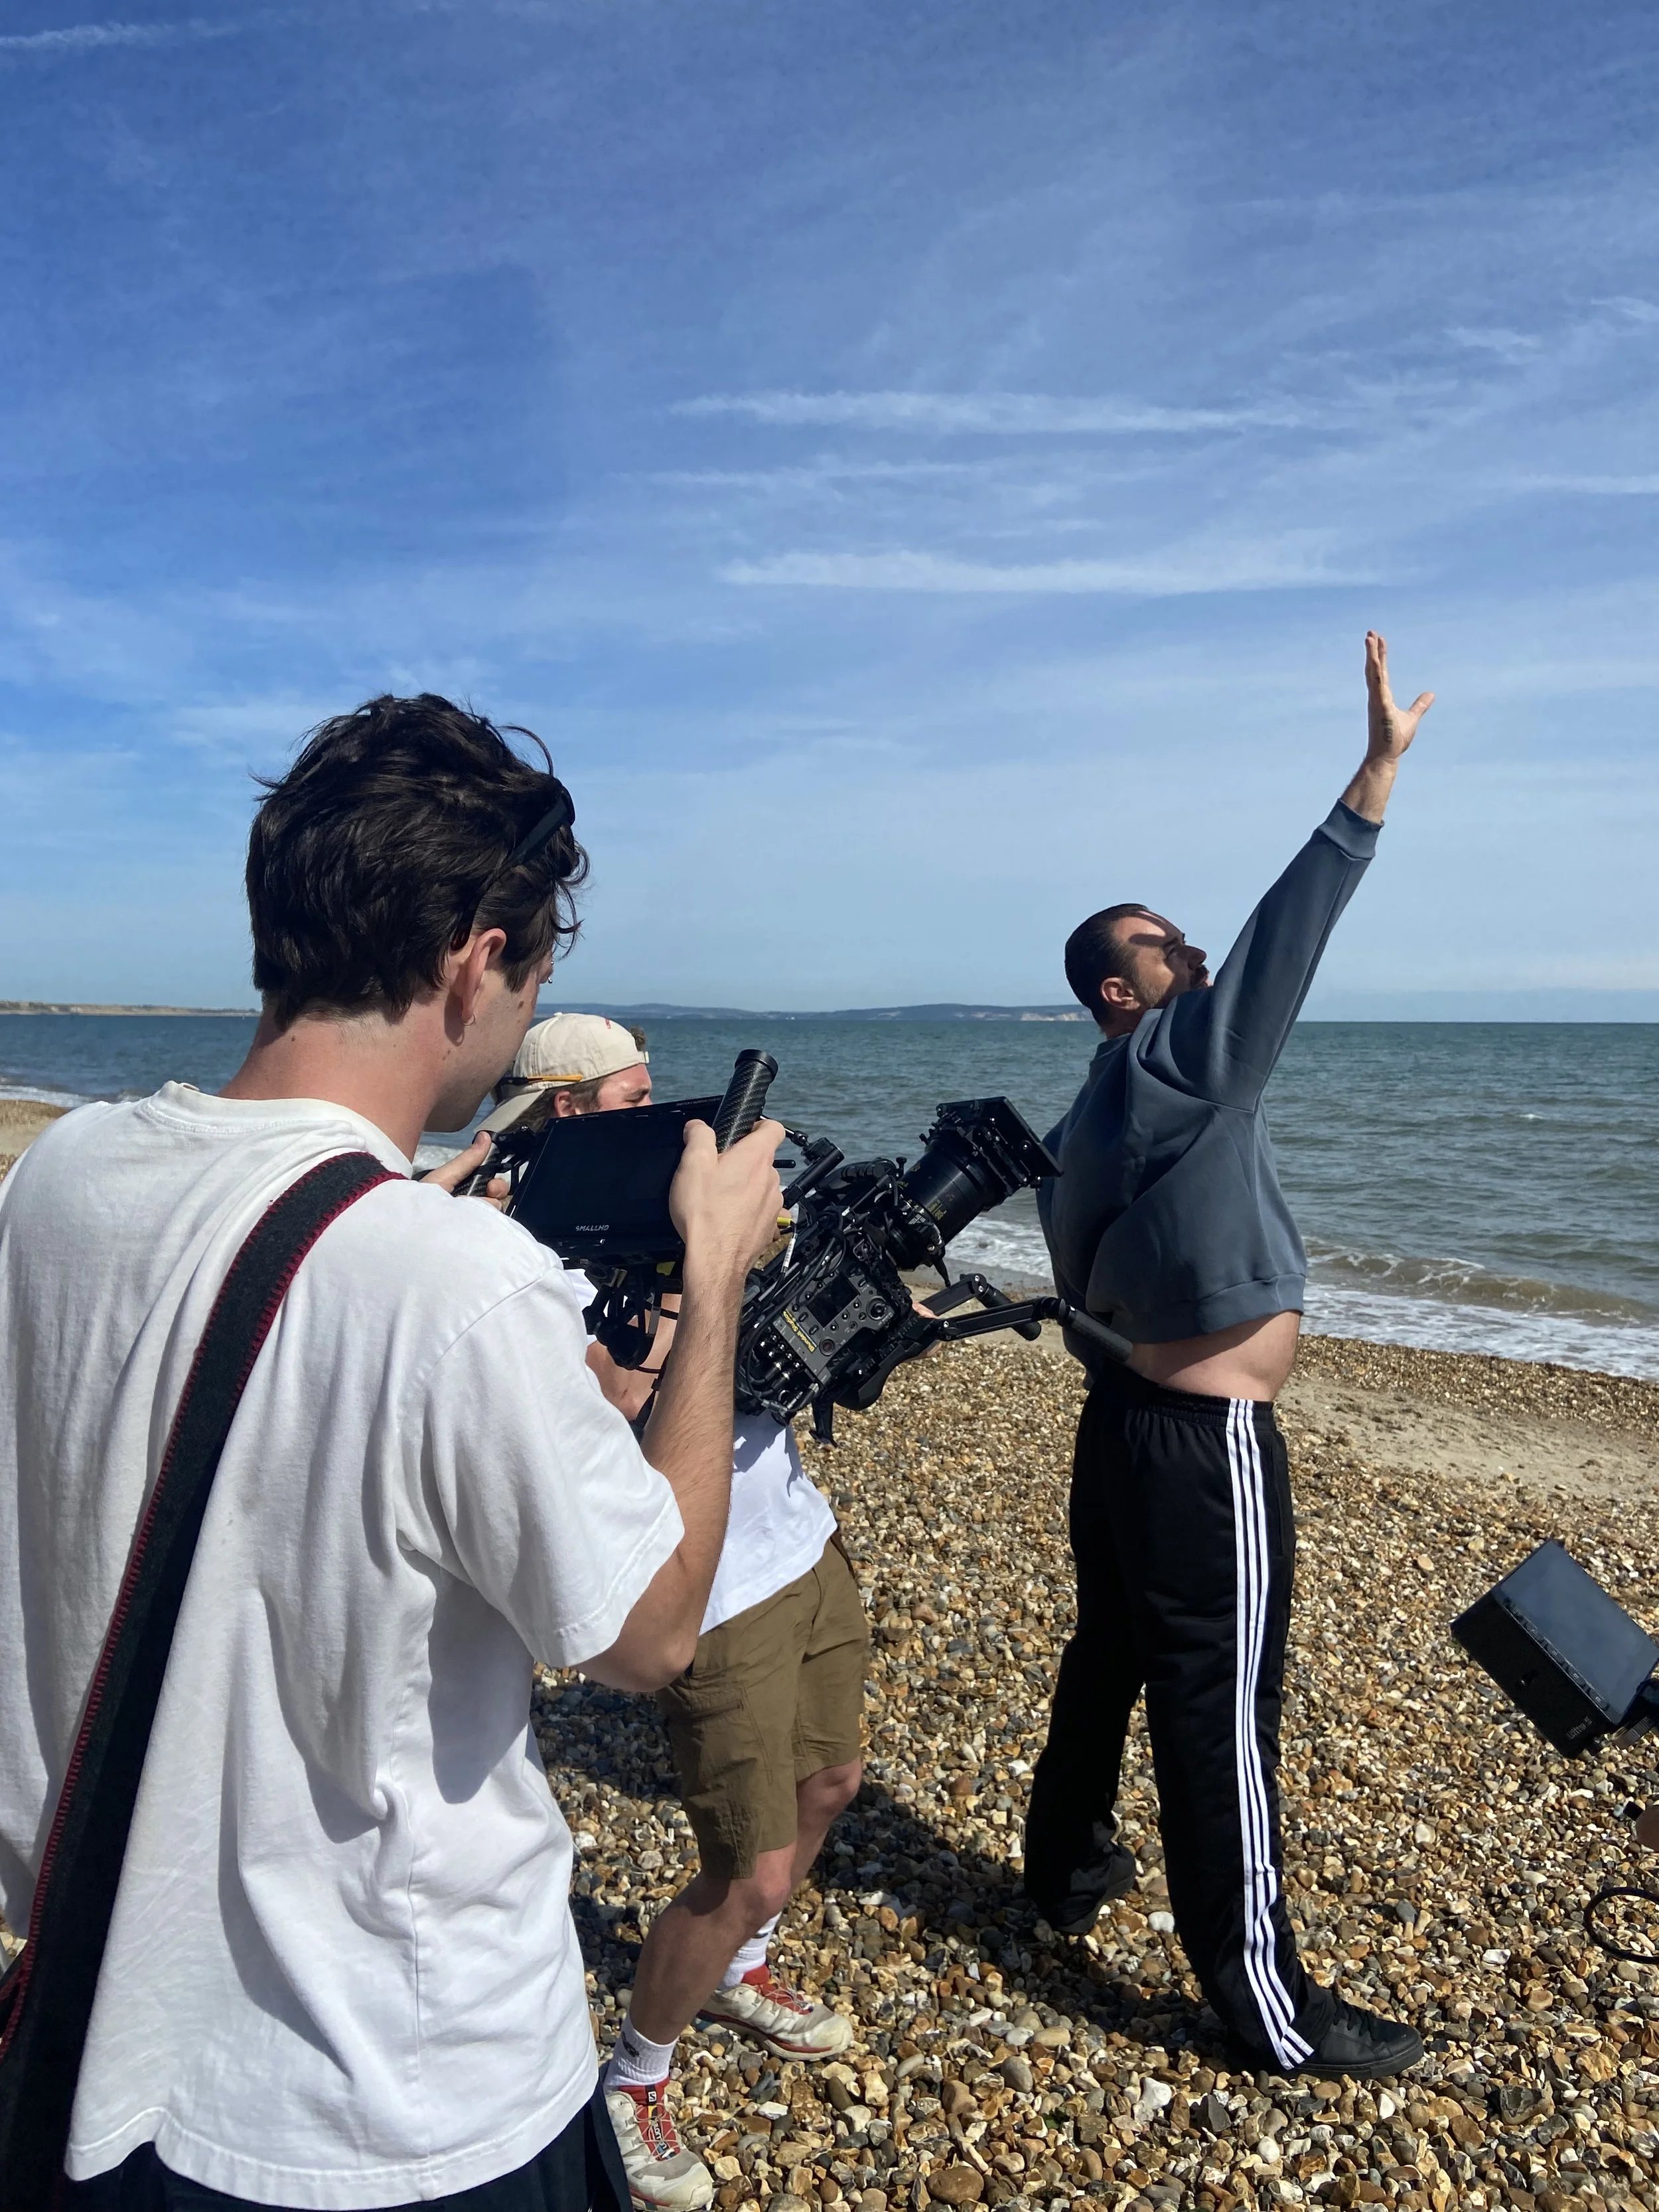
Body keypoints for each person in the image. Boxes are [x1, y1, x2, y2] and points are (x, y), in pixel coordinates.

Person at [0, 695, 784, 2211]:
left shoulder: (63, 1178)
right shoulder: (448, 1283)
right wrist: (719, 1283)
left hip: (103, 2038)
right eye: (537, 970)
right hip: (399, 2098)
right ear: (475, 957)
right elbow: (654, 1629)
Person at [1027, 634, 1435, 2081]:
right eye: (1166, 948)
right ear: (1119, 992)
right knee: (1221, 1701)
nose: (1194, 957)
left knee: (1118, 1653)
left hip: (1126, 1425)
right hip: (1200, 1446)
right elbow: (1285, 937)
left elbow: (1083, 1286)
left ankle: (1059, 1865)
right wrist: (1371, 777)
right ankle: (1263, 2004)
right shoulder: (1177, 1057)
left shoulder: (1090, 1106)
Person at [506, 1015, 865, 2212]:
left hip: (799, 1542)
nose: (678, 1126)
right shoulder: (539, 1263)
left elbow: (777, 1369)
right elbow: (610, 1419)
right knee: (746, 1869)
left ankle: (738, 1973)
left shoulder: (678, 1228)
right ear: (568, 1113)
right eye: (640, 1100)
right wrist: (704, 1282)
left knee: (832, 1785)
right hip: (708, 1591)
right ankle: (637, 2074)